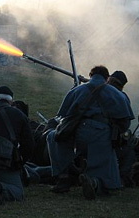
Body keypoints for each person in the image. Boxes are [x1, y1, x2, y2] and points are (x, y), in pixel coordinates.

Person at [47, 65, 133, 199]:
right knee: (107, 176)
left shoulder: (77, 90)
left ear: (91, 75)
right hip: (103, 135)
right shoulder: (117, 94)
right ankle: (94, 183)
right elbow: (125, 121)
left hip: (77, 133)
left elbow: (63, 116)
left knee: (52, 136)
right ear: (106, 78)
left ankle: (64, 178)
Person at [107, 70, 136, 187]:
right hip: (109, 136)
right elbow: (125, 124)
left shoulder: (95, 90)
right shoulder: (122, 96)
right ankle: (123, 177)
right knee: (131, 144)